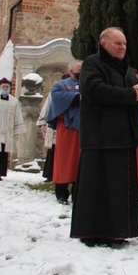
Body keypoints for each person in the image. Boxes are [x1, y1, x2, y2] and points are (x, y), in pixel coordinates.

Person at [70, 27, 138, 247]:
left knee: (119, 189)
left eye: (124, 43)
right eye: (118, 43)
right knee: (97, 187)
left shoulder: (125, 68)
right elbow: (94, 89)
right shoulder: (92, 63)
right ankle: (92, 233)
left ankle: (118, 232)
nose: (123, 47)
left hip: (123, 136)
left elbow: (133, 92)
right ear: (103, 43)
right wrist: (131, 94)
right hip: (100, 136)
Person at [46, 61, 83, 205]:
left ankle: (77, 192)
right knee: (65, 160)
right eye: (79, 69)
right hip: (67, 128)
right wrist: (76, 98)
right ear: (71, 70)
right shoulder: (61, 85)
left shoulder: (87, 84)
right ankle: (61, 192)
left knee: (79, 162)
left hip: (83, 128)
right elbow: (57, 98)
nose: (81, 72)